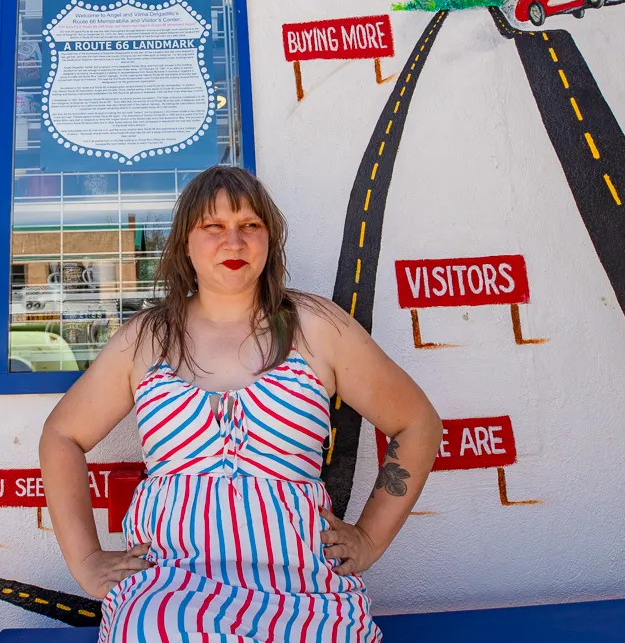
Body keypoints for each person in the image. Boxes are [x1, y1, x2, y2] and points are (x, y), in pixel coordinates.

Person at [40, 166, 443, 642]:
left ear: (269, 240)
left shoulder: (316, 327)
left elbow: (417, 423)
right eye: (213, 227)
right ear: (184, 244)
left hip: (305, 585)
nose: (234, 242)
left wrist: (370, 538)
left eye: (250, 226)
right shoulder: (147, 339)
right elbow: (61, 436)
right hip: (172, 584)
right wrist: (87, 561)